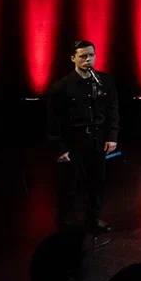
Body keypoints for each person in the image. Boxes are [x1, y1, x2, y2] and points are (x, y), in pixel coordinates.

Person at [47, 40, 119, 232]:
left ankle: (93, 219)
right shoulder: (62, 86)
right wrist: (60, 148)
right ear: (73, 58)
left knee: (97, 181)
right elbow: (53, 120)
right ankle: (67, 224)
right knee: (71, 184)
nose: (88, 59)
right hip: (74, 141)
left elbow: (112, 110)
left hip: (97, 139)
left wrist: (112, 136)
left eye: (91, 55)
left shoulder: (104, 81)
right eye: (83, 56)